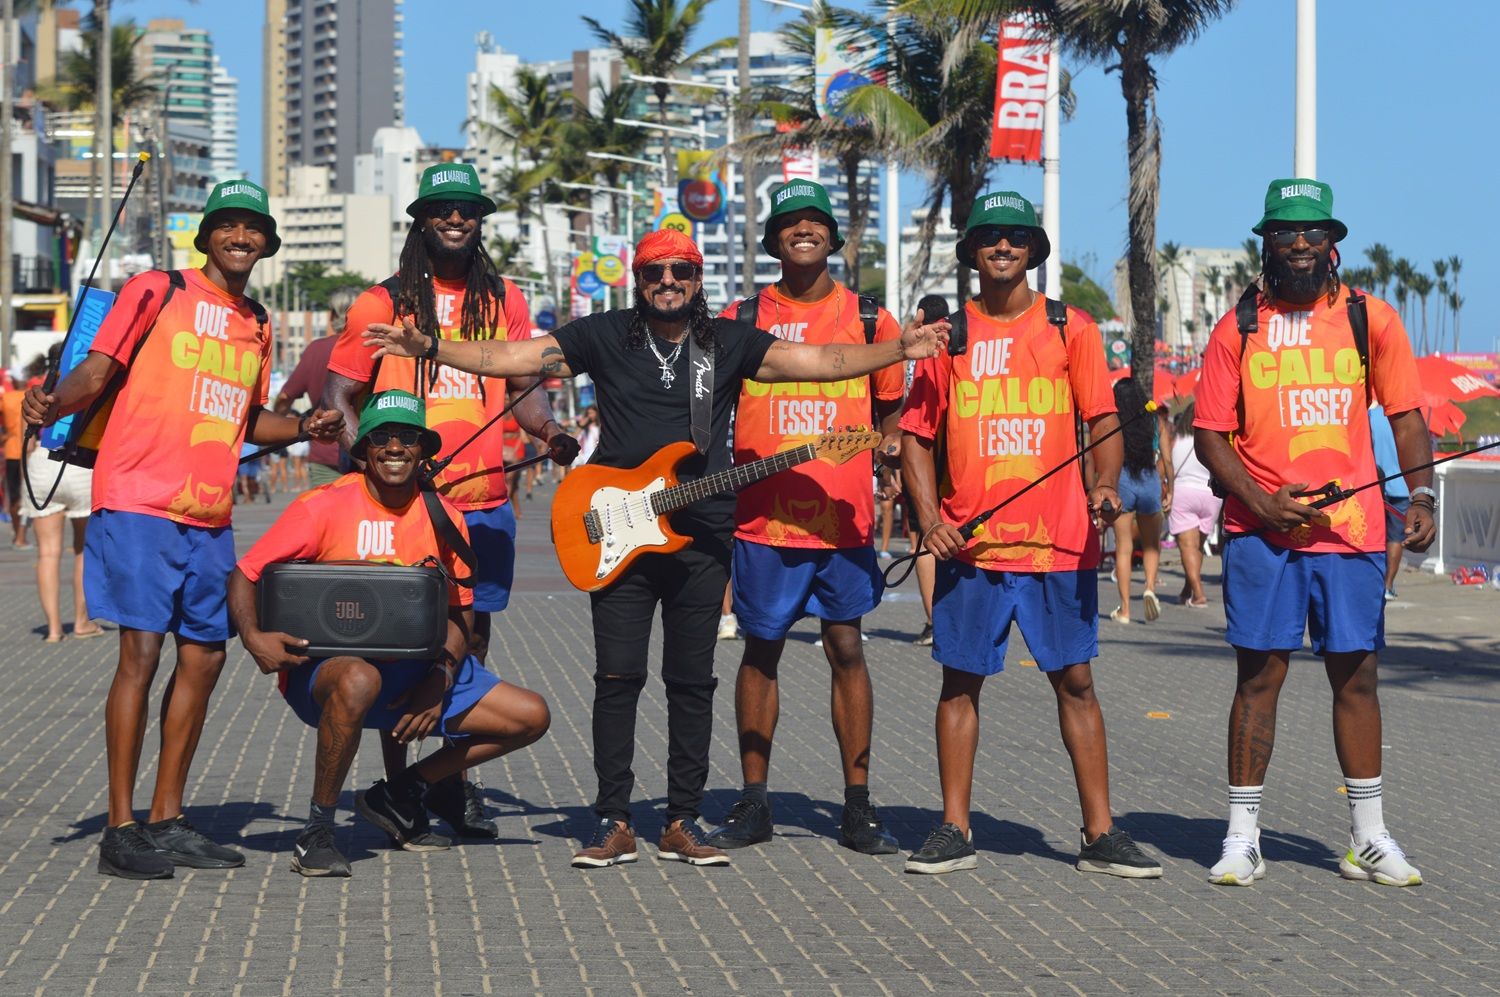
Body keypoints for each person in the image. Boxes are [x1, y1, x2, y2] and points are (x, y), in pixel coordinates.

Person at [362, 227, 949, 871]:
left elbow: (822, 363)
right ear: (637, 281)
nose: (668, 282)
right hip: (615, 526)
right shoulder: (605, 334)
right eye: (654, 273)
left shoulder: (725, 344)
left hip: (702, 533)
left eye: (681, 272)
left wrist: (902, 347)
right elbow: (517, 357)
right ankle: (613, 818)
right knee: (617, 679)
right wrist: (433, 348)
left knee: (691, 680)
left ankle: (681, 818)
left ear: (698, 280)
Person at [23, 179, 343, 880]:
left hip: (209, 513)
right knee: (140, 653)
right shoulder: (156, 290)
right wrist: (43, 405)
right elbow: (100, 370)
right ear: (206, 234)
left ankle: (167, 816)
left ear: (266, 243)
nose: (240, 236)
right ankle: (120, 825)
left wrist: (302, 426)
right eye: (228, 225)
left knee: (206, 657)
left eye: (253, 228)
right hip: (138, 498)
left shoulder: (257, 322)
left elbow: (247, 419)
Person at [899, 191, 1161, 878]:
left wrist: (1105, 485)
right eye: (990, 236)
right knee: (960, 683)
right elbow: (916, 438)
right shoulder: (947, 337)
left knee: (1076, 681)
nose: (1003, 245)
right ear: (974, 251)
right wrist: (930, 521)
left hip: (1059, 542)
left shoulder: (1070, 326)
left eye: (1017, 236)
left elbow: (1101, 418)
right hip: (974, 547)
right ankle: (954, 825)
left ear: (1034, 250)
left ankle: (1099, 832)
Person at [324, 163, 577, 839]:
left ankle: (444, 780)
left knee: (471, 647)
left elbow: (528, 382)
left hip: (484, 504)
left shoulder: (504, 299)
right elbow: (337, 394)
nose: (456, 218)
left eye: (467, 208)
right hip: (407, 509)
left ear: (480, 220)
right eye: (442, 208)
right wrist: (371, 463)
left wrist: (550, 429)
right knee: (403, 646)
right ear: (422, 219)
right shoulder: (382, 302)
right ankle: (403, 787)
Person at [1193, 178, 1435, 887]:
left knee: (1357, 678)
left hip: (1353, 532)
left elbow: (1407, 416)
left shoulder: (1370, 318)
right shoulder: (1237, 325)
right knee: (1258, 679)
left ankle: (1369, 838)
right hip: (1260, 533)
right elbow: (1209, 438)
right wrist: (1262, 503)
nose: (1299, 243)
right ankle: (1242, 837)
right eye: (1284, 232)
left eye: (1313, 231)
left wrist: (1419, 494)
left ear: (1333, 242)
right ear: (1265, 242)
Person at [229, 390, 550, 877]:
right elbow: (246, 573)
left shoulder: (444, 515)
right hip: (330, 670)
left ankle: (400, 792)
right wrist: (253, 637)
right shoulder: (322, 506)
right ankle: (317, 830)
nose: (395, 447)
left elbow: (461, 616)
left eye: (407, 438)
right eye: (382, 437)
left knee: (531, 716)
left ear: (424, 450)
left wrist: (439, 680)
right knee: (360, 680)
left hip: (419, 670)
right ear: (364, 449)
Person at [705, 180, 904, 855]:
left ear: (831, 235)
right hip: (763, 523)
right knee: (760, 649)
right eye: (790, 221)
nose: (803, 229)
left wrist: (888, 447)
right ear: (774, 238)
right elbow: (708, 410)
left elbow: (891, 409)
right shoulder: (740, 315)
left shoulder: (872, 318)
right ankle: (754, 800)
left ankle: (857, 805)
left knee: (846, 647)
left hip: (842, 522)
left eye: (815, 220)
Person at [21, 350, 102, 643]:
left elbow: (26, 438)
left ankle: (54, 630)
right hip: (79, 463)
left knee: (48, 553)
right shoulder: (93, 381)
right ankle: (82, 622)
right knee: (83, 549)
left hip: (42, 463)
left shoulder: (43, 386)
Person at [275, 285, 363, 488]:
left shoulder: (317, 349)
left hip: (325, 452)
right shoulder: (374, 348)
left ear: (332, 315)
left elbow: (285, 397)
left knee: (328, 516)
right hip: (368, 453)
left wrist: (280, 422)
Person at [906, 293, 949, 646]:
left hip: (915, 454)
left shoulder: (909, 348)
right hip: (947, 454)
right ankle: (945, 617)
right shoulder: (949, 346)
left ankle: (935, 619)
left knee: (922, 540)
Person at [1107, 378, 1170, 623]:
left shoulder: (1114, 422)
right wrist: (1169, 489)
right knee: (1151, 544)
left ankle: (1124, 610)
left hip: (1123, 478)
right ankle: (1150, 588)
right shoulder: (1155, 421)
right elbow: (1167, 459)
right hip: (1150, 479)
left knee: (1123, 548)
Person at [1167, 402, 1221, 607]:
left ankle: (1198, 594)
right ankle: (1188, 588)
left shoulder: (1175, 440)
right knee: (1197, 546)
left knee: (1188, 546)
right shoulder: (1211, 439)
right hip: (1211, 496)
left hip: (1183, 493)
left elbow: (1165, 466)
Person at [1368, 402, 1409, 601]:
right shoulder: (1405, 417)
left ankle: (1373, 582)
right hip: (1402, 486)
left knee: (1374, 537)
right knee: (1395, 538)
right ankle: (1388, 584)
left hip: (1375, 485)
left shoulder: (1371, 416)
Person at [3, 372, 30, 549]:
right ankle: (22, 536)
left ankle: (16, 534)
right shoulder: (33, 395)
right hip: (30, 452)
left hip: (12, 450)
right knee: (27, 496)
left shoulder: (6, 398)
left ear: (13, 380)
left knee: (14, 496)